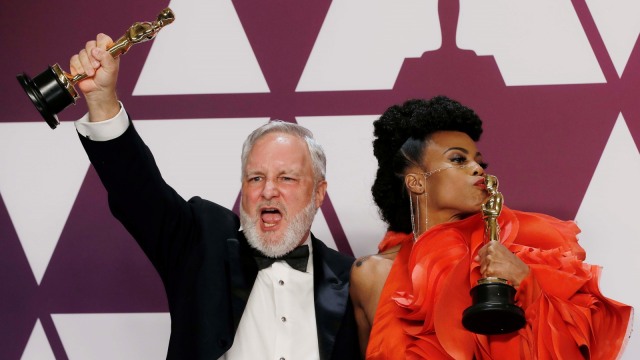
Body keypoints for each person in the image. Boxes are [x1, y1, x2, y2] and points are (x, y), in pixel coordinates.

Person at [69, 33, 360, 359]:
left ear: (319, 193)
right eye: (256, 177)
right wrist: (102, 102)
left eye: (286, 177)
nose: (267, 190)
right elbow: (138, 191)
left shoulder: (357, 283)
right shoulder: (201, 244)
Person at [350, 96, 633, 359]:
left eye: (479, 161)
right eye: (458, 159)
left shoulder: (519, 257)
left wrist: (526, 283)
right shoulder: (371, 275)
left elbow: (575, 350)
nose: (478, 168)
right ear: (416, 182)